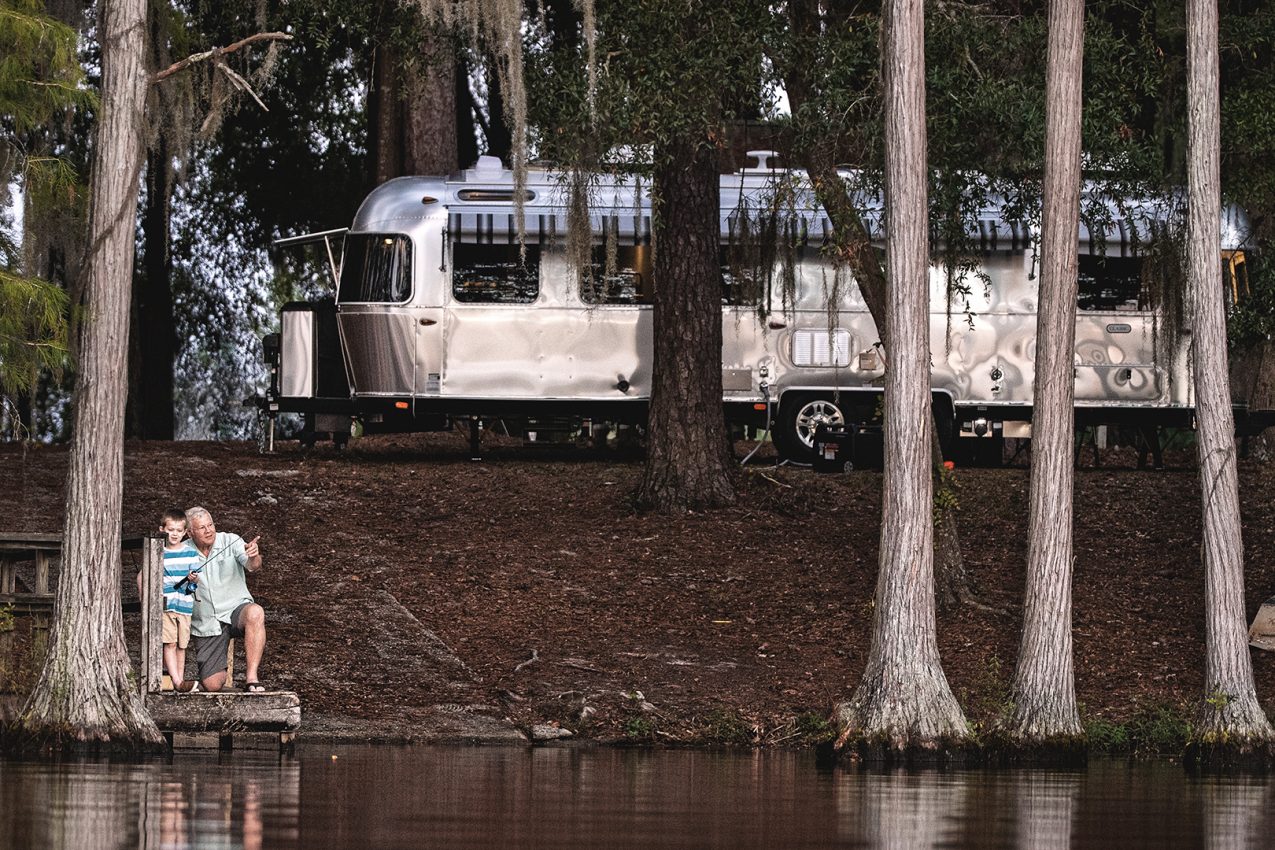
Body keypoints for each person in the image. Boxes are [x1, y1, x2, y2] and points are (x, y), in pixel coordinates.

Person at [185, 506, 269, 693]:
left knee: (255, 612)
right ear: (190, 533)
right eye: (202, 528)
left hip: (235, 610)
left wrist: (254, 556)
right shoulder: (183, 551)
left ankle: (252, 679)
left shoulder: (231, 540)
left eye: (210, 525)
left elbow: (253, 566)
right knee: (212, 685)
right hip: (207, 622)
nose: (209, 530)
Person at [146, 508, 200, 691]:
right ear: (162, 530)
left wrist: (193, 580)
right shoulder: (158, 553)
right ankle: (177, 682)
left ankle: (181, 681)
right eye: (170, 530)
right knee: (169, 642)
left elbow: (195, 583)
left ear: (185, 532)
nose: (174, 534)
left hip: (184, 606)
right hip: (166, 604)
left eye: (179, 530)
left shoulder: (191, 553)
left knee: (181, 645)